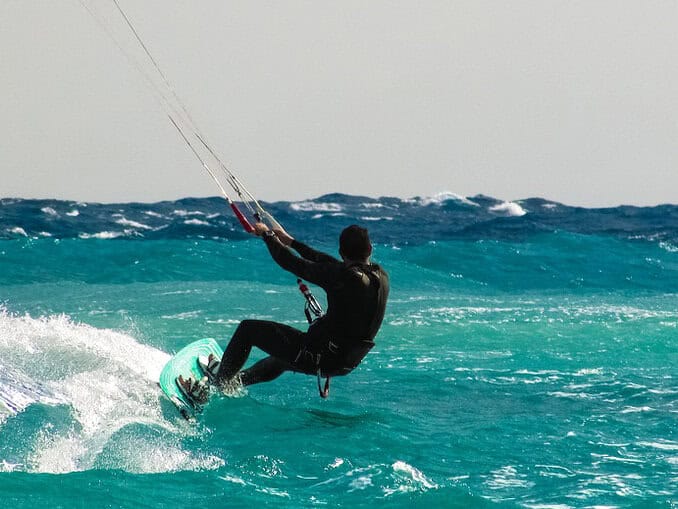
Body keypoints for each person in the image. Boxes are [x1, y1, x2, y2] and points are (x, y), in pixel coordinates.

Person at [178, 223, 389, 400]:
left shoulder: (342, 277)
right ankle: (236, 380)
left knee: (248, 329)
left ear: (342, 253)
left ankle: (214, 387)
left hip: (320, 356)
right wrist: (290, 241)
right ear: (369, 249)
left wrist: (267, 235)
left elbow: (292, 263)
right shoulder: (379, 277)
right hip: (345, 362)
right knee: (281, 358)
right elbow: (326, 262)